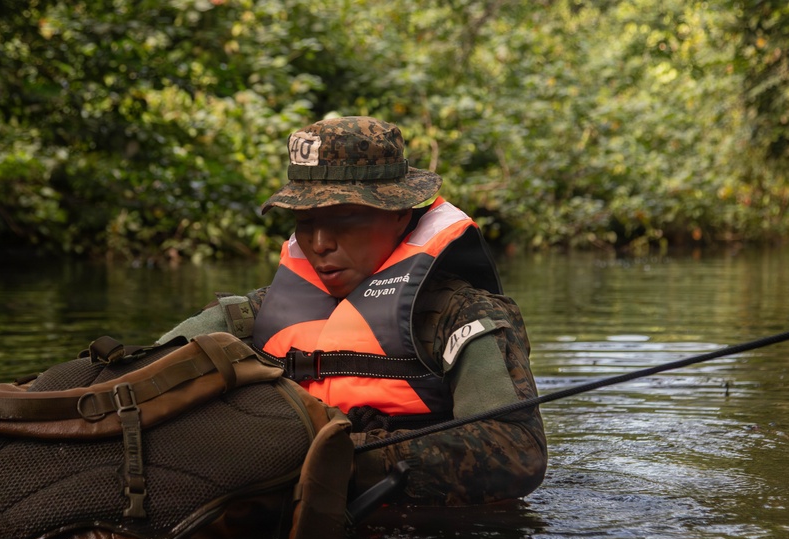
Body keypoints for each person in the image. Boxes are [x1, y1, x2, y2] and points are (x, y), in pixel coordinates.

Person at [157, 116, 546, 506]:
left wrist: (345, 458)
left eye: (344, 218)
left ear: (400, 213)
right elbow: (141, 375)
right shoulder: (251, 315)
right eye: (306, 223)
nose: (321, 243)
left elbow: (517, 449)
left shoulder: (462, 314)